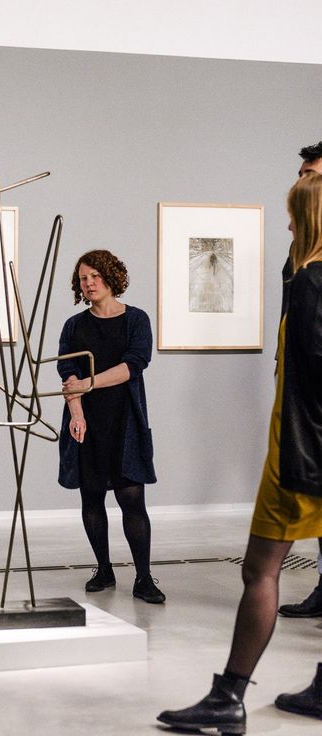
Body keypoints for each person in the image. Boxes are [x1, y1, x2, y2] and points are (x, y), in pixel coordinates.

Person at [157, 172, 322, 733]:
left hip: (303, 456)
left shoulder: (310, 282)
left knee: (259, 571)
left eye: (293, 215)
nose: (286, 224)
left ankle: (228, 697)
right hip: (312, 450)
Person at [57, 250, 165, 604]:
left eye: (95, 276)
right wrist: (76, 412)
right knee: (91, 497)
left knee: (132, 498)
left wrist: (86, 385)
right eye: (83, 278)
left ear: (111, 277)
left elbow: (132, 366)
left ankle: (144, 578)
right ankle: (103, 569)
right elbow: (67, 374)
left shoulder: (136, 320)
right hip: (86, 421)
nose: (89, 283)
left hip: (125, 419)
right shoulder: (74, 325)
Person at [278, 140, 322, 619]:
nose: (302, 183)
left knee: (261, 563)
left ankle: (229, 689)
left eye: (311, 175)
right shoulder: (298, 257)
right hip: (301, 401)